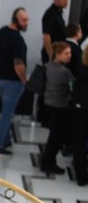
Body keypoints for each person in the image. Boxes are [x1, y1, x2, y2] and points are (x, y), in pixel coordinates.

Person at [0, 7, 29, 157]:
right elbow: (18, 64)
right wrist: (24, 79)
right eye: (24, 20)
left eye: (27, 20)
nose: (26, 23)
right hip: (12, 82)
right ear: (16, 20)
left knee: (5, 112)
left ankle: (5, 139)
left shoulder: (2, 32)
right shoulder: (17, 39)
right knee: (7, 114)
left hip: (0, 78)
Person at [41, 42, 74, 174]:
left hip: (49, 103)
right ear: (58, 54)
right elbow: (74, 86)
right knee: (56, 137)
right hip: (60, 106)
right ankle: (48, 162)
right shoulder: (64, 72)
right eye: (66, 53)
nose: (69, 56)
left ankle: (48, 161)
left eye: (70, 53)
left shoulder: (49, 66)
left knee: (54, 135)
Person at [68, 47, 88, 187]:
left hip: (79, 110)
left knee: (78, 143)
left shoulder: (82, 69)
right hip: (83, 110)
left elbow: (75, 90)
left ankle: (81, 175)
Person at [42, 0, 69, 64]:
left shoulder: (58, 13)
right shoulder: (51, 14)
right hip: (52, 55)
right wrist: (51, 56)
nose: (66, 1)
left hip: (58, 53)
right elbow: (46, 37)